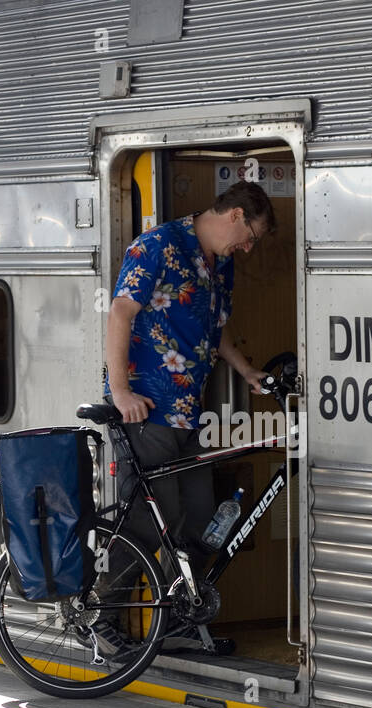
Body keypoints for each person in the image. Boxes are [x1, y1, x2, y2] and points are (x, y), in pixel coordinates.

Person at [104, 179, 276, 654]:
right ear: (237, 214)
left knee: (202, 518)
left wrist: (245, 371)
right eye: (251, 236)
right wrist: (121, 392)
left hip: (189, 413)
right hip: (148, 408)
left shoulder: (218, 265)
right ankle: (101, 612)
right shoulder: (158, 245)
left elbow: (214, 328)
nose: (248, 248)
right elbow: (120, 312)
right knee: (150, 517)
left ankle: (176, 615)